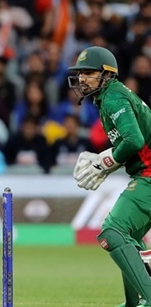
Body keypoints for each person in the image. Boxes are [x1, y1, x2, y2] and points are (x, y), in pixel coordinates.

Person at [70, 46, 151, 307]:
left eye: (88, 73)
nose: (82, 78)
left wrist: (105, 162)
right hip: (146, 173)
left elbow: (134, 140)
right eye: (80, 73)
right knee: (129, 237)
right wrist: (109, 162)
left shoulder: (114, 99)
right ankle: (133, 303)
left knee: (113, 232)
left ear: (107, 74)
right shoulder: (109, 97)